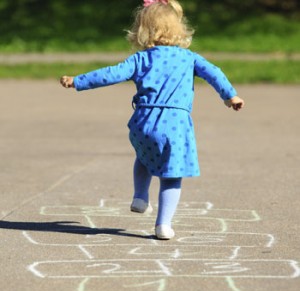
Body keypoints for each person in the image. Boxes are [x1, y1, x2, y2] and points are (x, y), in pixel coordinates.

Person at [60, 0, 245, 240]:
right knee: (171, 175)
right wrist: (230, 95)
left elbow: (110, 74)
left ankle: (140, 196)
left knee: (144, 157)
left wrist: (78, 81)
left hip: (142, 123)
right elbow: (214, 73)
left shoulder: (141, 59)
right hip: (174, 124)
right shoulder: (190, 58)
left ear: (142, 30)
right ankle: (163, 225)